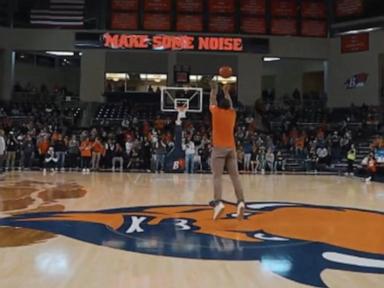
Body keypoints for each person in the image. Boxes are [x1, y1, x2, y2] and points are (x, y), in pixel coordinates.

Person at [209, 81, 245, 220]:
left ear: (219, 105)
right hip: (231, 148)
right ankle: (241, 202)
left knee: (217, 177)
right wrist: (226, 92)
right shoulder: (232, 114)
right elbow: (229, 104)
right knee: (235, 177)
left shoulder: (216, 112)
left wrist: (214, 89)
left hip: (219, 148)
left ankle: (218, 203)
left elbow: (212, 100)